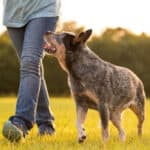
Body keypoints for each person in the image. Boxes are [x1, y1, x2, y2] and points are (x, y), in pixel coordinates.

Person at [2, 0, 61, 142]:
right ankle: (46, 125)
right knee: (31, 66)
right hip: (14, 13)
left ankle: (21, 122)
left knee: (30, 63)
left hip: (43, 8)